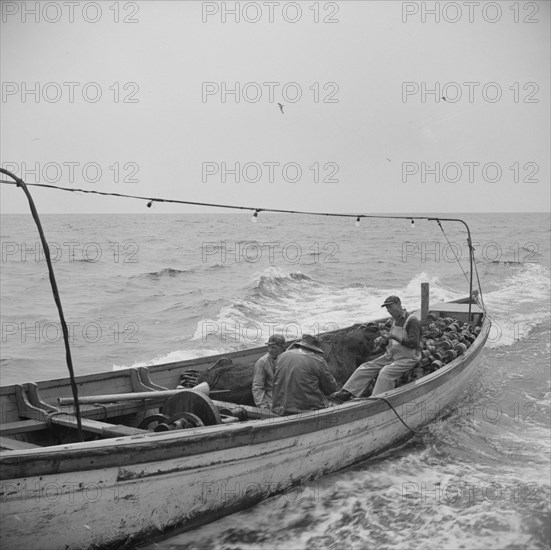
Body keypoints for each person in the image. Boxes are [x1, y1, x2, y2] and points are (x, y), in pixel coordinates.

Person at [331, 296, 421, 402]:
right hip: (392, 356)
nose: (389, 310)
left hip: (408, 358)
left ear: (399, 304)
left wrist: (392, 336)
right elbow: (393, 342)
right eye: (387, 308)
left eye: (390, 307)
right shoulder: (394, 320)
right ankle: (347, 392)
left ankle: (376, 400)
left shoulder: (412, 321)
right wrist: (384, 341)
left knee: (385, 373)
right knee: (366, 366)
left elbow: (414, 343)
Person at [272, 334, 337, 416]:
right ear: (316, 349)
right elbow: (331, 388)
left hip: (278, 408)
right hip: (306, 409)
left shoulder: (281, 356)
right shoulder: (318, 360)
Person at [252, 334, 286, 409]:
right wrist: (263, 406)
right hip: (272, 403)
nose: (270, 350)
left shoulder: (289, 359)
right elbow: (257, 387)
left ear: (282, 348)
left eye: (274, 347)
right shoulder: (262, 362)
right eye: (269, 347)